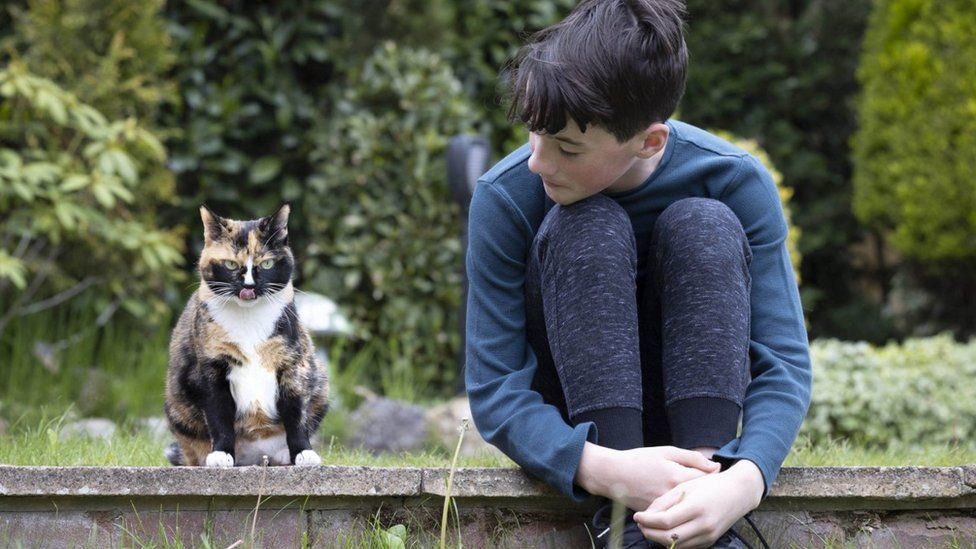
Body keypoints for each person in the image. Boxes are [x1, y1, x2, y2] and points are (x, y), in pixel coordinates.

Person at [463, 0, 812, 547]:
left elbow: (783, 360)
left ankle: (699, 497)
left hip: (707, 452)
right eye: (534, 132)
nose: (537, 161)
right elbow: (495, 387)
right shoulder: (504, 198)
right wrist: (606, 470)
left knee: (704, 222)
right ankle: (623, 523)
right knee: (586, 223)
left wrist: (740, 480)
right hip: (591, 438)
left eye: (567, 148)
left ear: (650, 141)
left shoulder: (734, 181)